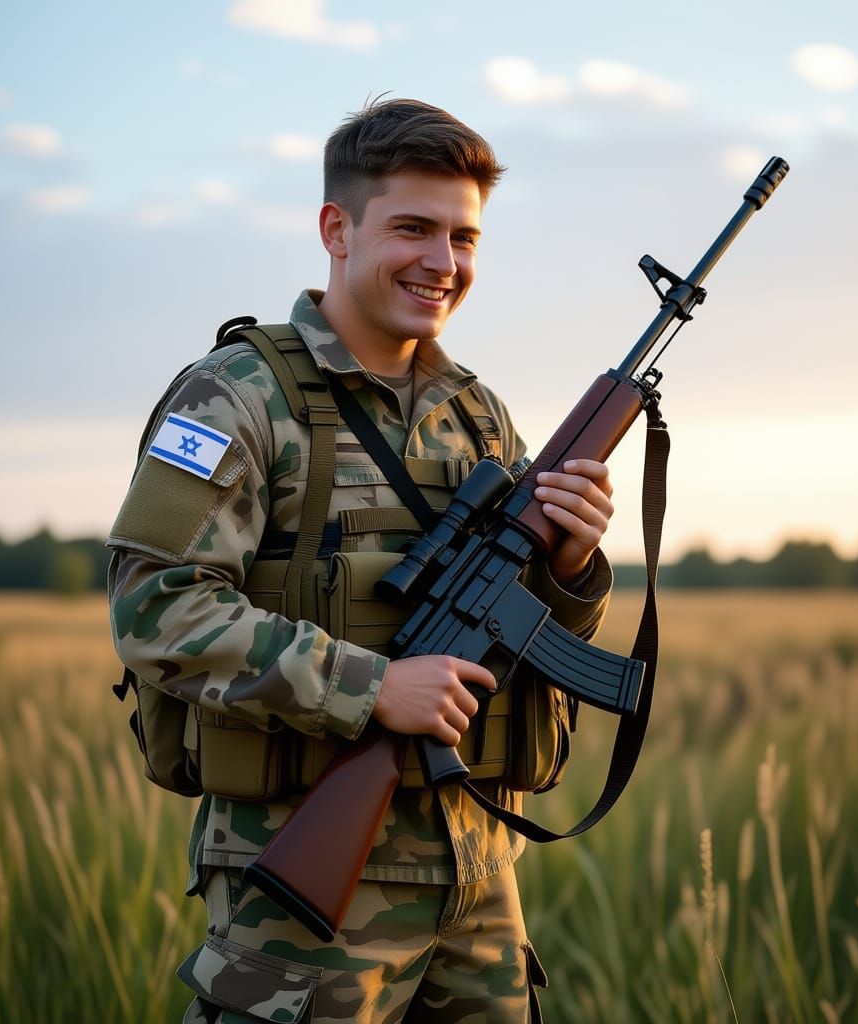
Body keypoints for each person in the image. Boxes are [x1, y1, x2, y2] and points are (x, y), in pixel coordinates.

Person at [108, 97, 616, 1024]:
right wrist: (371, 687)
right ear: (335, 230)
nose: (443, 262)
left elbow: (527, 634)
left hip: (479, 876)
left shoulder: (480, 414)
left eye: (464, 237)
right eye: (413, 228)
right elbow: (158, 609)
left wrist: (572, 570)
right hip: (306, 885)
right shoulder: (237, 395)